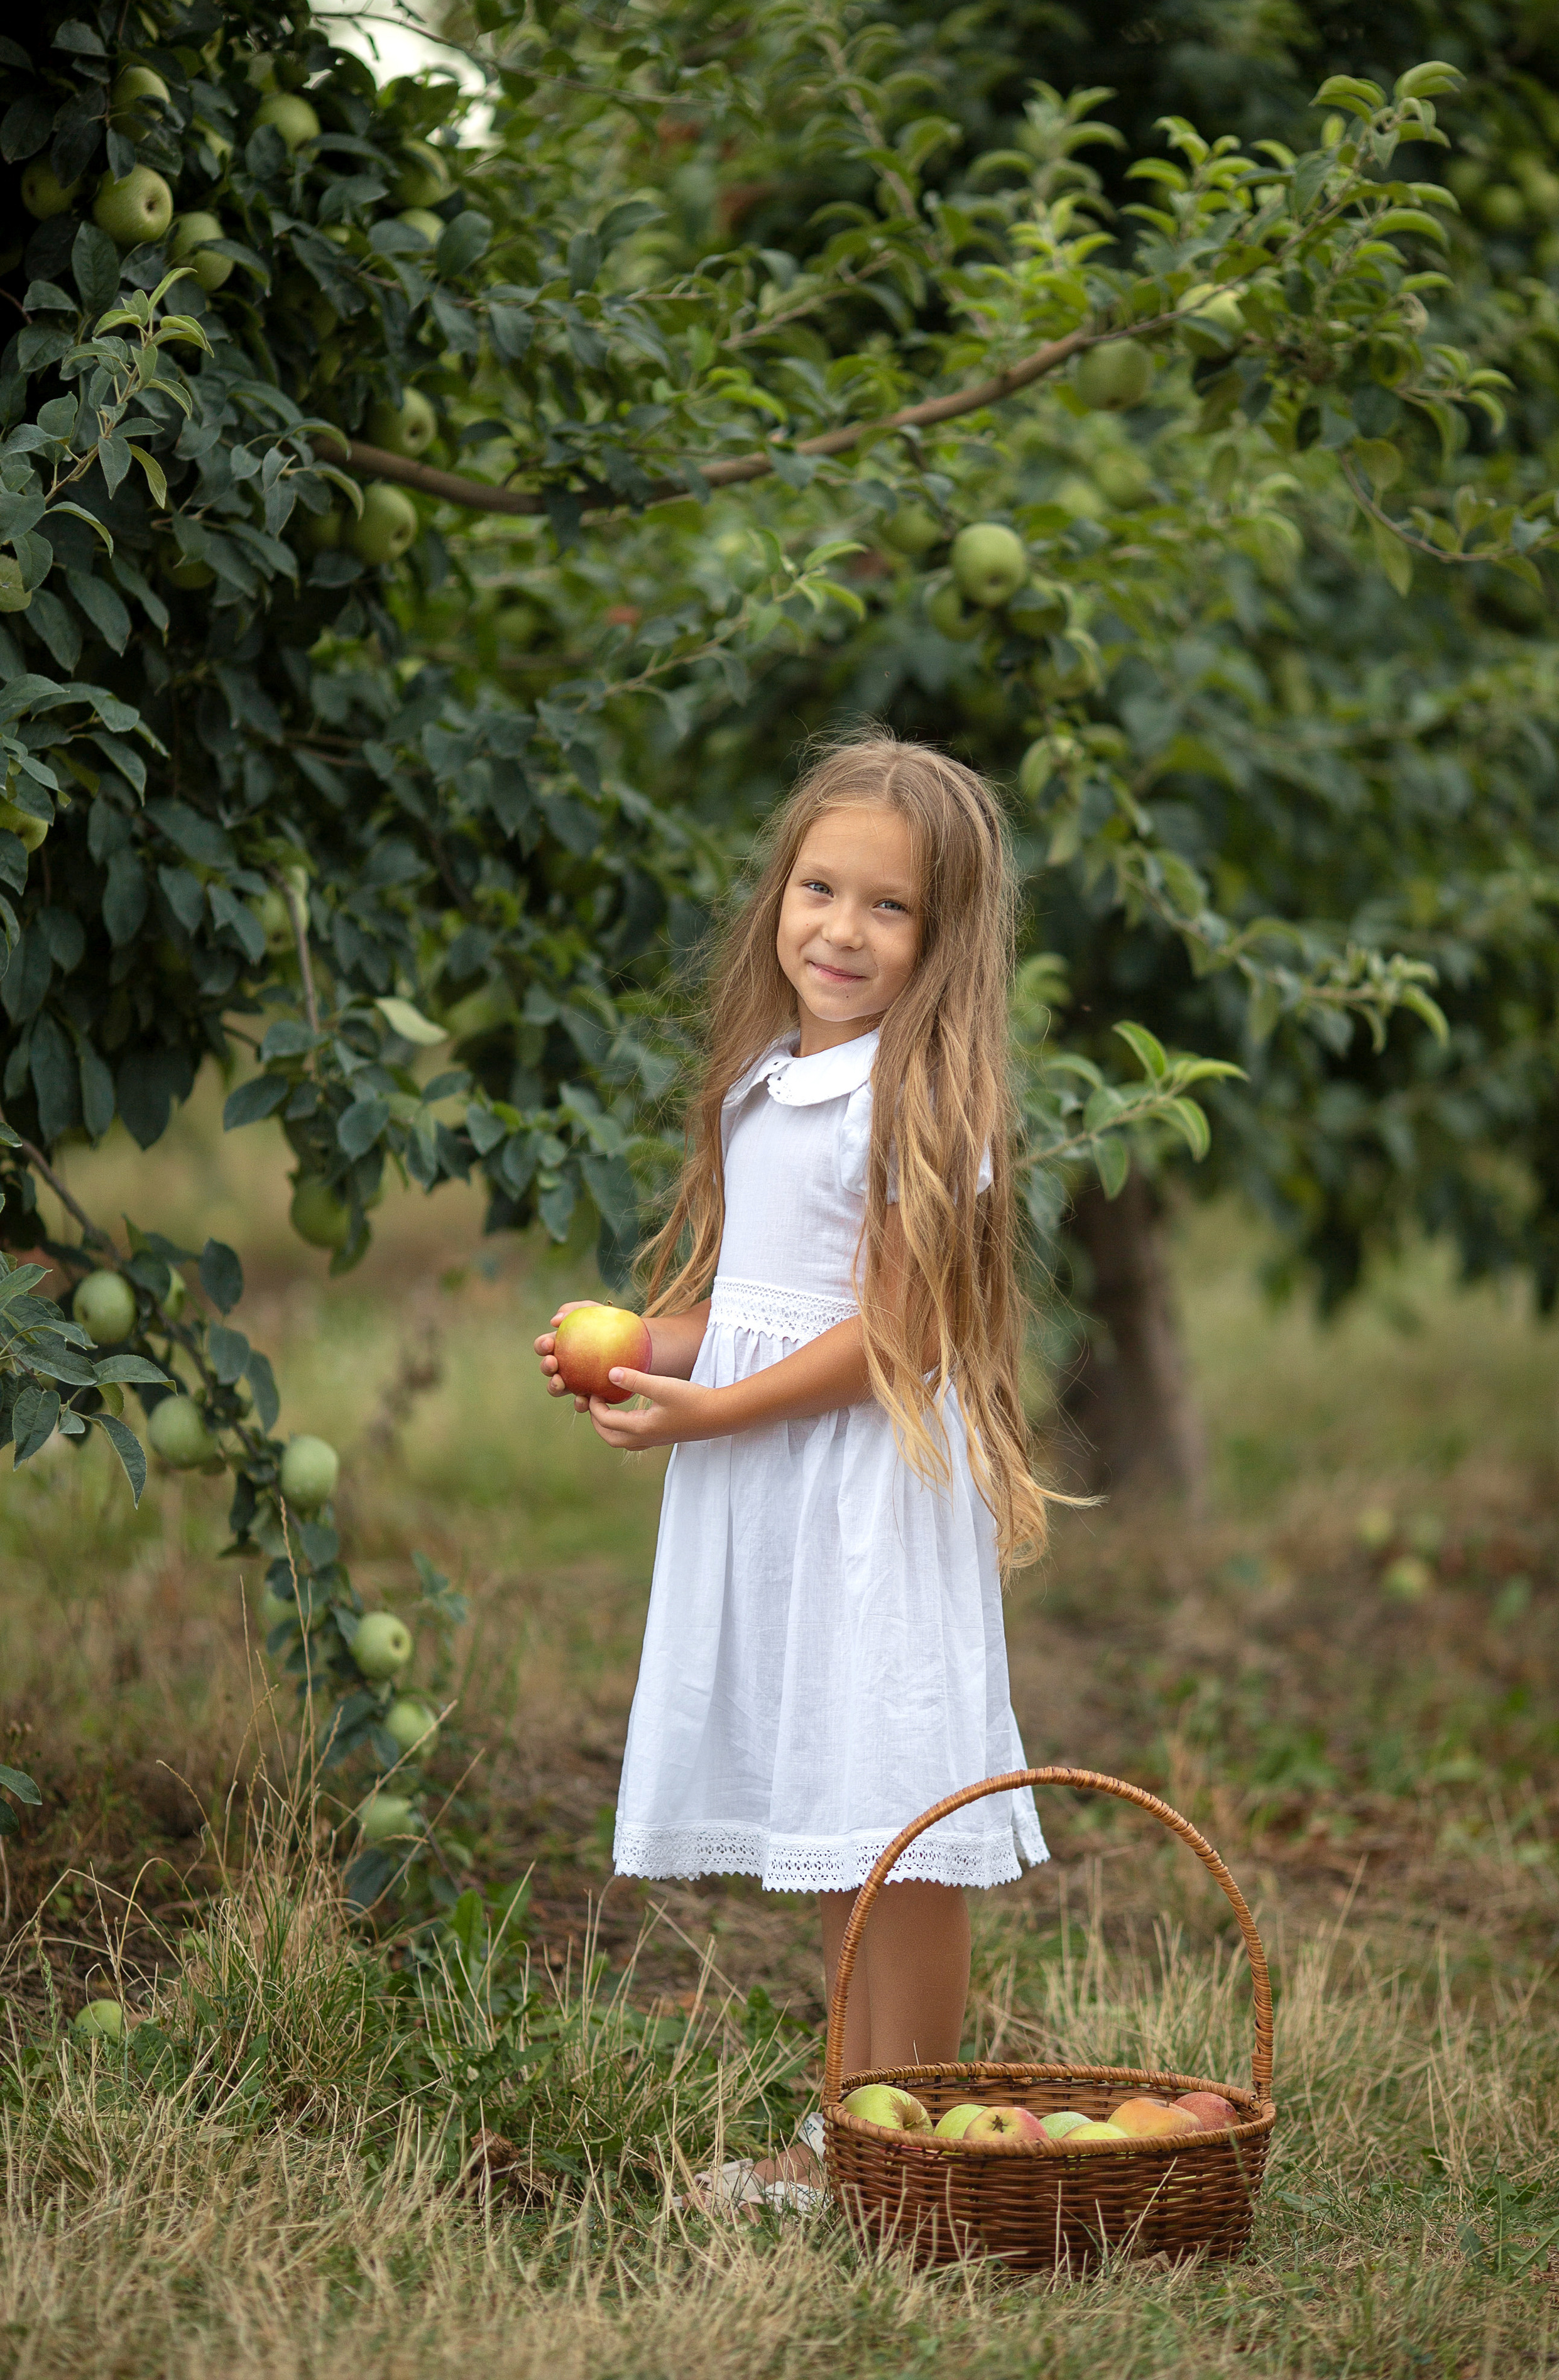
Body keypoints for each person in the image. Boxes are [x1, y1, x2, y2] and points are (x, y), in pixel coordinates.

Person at [536, 729, 1068, 2205]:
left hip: (865, 1486)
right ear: (777, 894)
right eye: (818, 889)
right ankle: (858, 2141)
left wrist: (704, 1414)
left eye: (886, 907)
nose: (840, 929)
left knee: (903, 1816)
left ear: (943, 937)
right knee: (845, 1816)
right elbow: (769, 1303)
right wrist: (654, 1340)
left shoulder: (916, 1096)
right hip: (782, 1475)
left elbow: (893, 1336)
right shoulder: (773, 1079)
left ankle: (917, 2128)